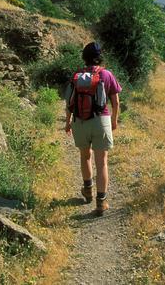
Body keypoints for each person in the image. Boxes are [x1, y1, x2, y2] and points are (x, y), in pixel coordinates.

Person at [65, 42, 121, 215]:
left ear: (84, 56)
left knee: (85, 156)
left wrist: (68, 122)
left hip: (80, 120)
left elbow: (69, 102)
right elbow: (116, 102)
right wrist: (113, 120)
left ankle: (88, 190)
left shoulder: (76, 75)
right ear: (100, 56)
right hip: (100, 120)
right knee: (102, 162)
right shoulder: (106, 74)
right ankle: (101, 202)